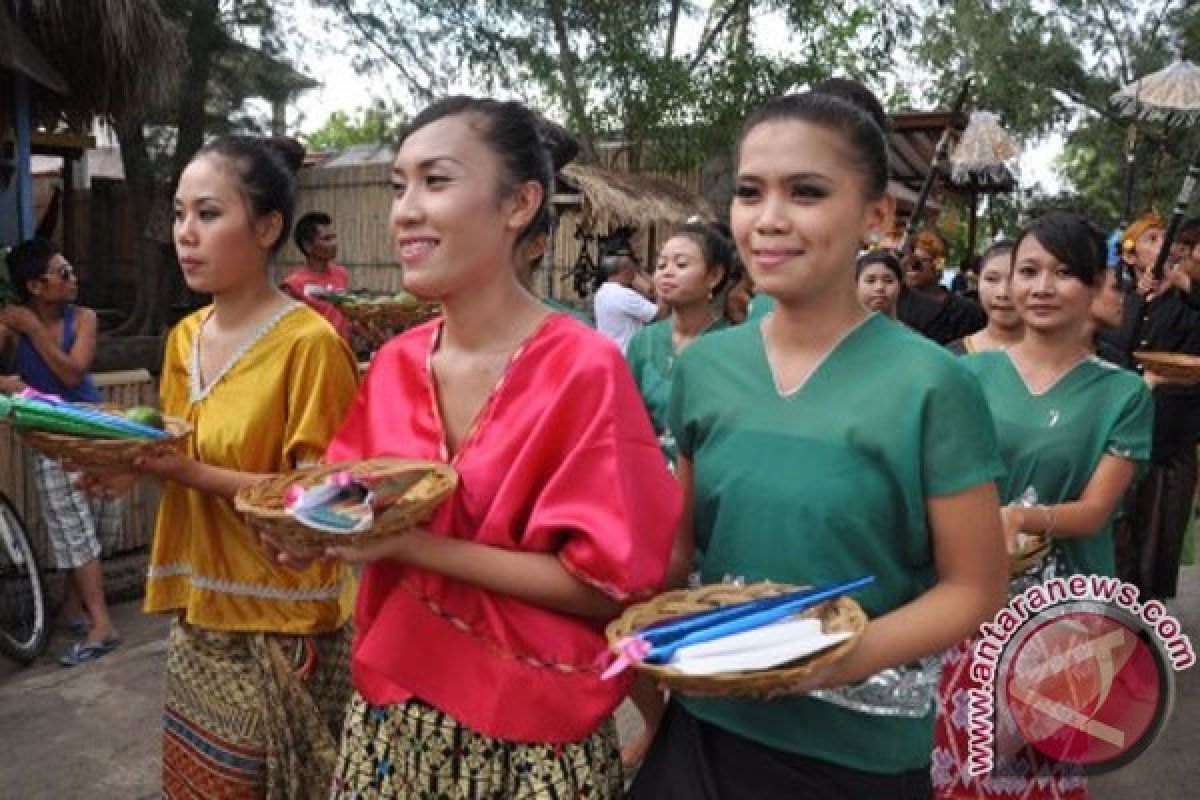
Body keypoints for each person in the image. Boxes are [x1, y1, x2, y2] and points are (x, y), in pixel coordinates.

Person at [265, 96, 680, 798]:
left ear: (520, 202)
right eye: (400, 186)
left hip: (535, 735)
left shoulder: (582, 368)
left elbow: (610, 588)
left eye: (436, 180)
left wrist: (407, 546)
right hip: (392, 723)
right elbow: (346, 502)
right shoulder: (394, 364)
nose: (405, 210)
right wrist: (311, 534)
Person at [628, 90, 1007, 800]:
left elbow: (974, 588)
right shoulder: (706, 366)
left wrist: (827, 661)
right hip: (708, 726)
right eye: (749, 192)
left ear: (877, 216)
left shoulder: (931, 383)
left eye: (806, 192)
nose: (768, 219)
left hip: (855, 756)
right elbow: (679, 553)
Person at [80, 136, 360, 798]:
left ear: (266, 228)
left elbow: (333, 502)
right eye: (179, 214)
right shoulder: (183, 340)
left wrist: (177, 471)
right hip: (199, 615)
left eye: (208, 214)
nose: (185, 234)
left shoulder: (310, 344)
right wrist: (131, 468)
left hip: (285, 623)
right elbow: (183, 448)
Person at [933, 212, 1153, 800]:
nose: (1039, 287)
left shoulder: (1123, 393)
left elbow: (1095, 512)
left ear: (1095, 287)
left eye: (1062, 273)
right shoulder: (963, 376)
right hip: (965, 601)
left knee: (1035, 777)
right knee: (956, 769)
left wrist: (1021, 518)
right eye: (1027, 271)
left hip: (1062, 619)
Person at [0, 238, 122, 666]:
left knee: (102, 525)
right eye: (63, 273)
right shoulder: (7, 327)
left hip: (93, 432)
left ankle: (74, 607)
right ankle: (101, 624)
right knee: (75, 529)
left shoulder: (83, 318)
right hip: (50, 441)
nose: (73, 279)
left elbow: (73, 371)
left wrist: (33, 331)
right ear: (36, 285)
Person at [1101, 212, 1200, 599]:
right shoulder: (1121, 300)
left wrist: (1183, 287)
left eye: (1168, 241)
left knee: (1158, 536)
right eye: (1152, 239)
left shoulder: (1188, 300)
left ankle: (1144, 616)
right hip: (1122, 432)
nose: (1166, 248)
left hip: (1171, 436)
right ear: (1129, 256)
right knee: (1117, 527)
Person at [627, 222, 731, 462]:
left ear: (714, 276)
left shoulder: (730, 348)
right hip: (648, 478)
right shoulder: (644, 341)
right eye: (661, 264)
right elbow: (625, 419)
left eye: (681, 264)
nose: (666, 272)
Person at [896, 229, 988, 345]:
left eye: (920, 261)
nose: (911, 266)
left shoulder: (966, 310)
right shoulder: (894, 304)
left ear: (938, 263)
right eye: (906, 260)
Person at [283, 211, 353, 341]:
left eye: (334, 237)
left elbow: (346, 316)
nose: (334, 243)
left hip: (342, 352)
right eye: (326, 239)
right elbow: (288, 330)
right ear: (307, 246)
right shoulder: (293, 286)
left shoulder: (342, 274)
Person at [947, 240, 1020, 355]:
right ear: (978, 282)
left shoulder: (1054, 355)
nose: (1003, 293)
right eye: (991, 279)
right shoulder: (951, 358)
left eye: (1014, 280)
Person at [593, 249, 663, 352]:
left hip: (611, 352)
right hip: (628, 355)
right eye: (634, 271)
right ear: (626, 270)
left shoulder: (602, 292)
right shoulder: (624, 295)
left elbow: (648, 294)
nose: (636, 275)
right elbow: (659, 315)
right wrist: (662, 291)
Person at [855, 248, 903, 318]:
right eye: (870, 281)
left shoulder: (905, 329)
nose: (879, 287)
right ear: (855, 285)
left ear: (900, 285)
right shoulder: (839, 327)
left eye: (888, 281)